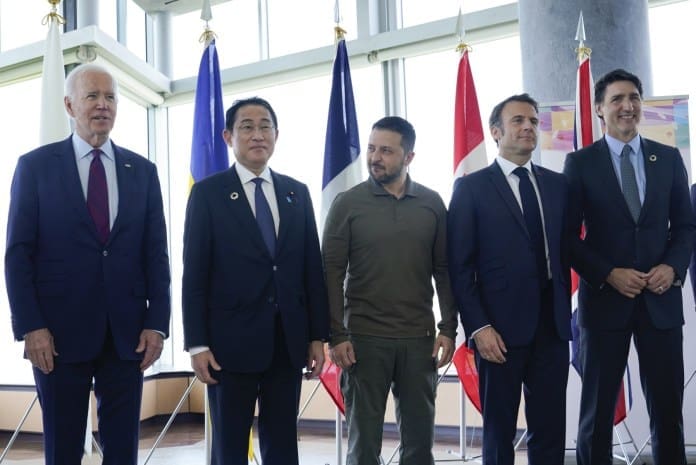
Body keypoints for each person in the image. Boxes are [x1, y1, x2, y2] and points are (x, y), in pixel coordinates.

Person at [5, 63, 171, 465]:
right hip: (56, 338)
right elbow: (18, 254)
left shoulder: (142, 171)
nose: (103, 105)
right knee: (63, 450)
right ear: (69, 105)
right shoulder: (35, 167)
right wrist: (31, 327)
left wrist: (157, 323)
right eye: (92, 96)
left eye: (110, 97)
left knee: (123, 451)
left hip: (127, 336)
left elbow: (156, 254)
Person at [181, 97, 329, 465]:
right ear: (229, 136)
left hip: (287, 342)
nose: (257, 135)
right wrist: (197, 343)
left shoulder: (296, 193)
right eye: (247, 127)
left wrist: (317, 335)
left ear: (277, 135)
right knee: (230, 447)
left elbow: (311, 269)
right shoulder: (208, 194)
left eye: (265, 126)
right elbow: (195, 274)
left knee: (283, 444)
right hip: (229, 345)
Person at [564, 68, 695, 465]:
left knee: (668, 414)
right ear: (599, 109)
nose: (628, 105)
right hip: (605, 302)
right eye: (617, 99)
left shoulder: (668, 159)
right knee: (597, 415)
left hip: (660, 302)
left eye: (634, 97)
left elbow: (686, 227)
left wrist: (672, 268)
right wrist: (607, 273)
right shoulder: (580, 163)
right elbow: (567, 237)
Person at [322, 116, 457, 465]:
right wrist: (336, 335)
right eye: (371, 149)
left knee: (419, 446)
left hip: (419, 341)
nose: (375, 157)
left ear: (408, 157)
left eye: (386, 151)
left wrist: (448, 328)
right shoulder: (347, 203)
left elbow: (444, 271)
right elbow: (330, 274)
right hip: (363, 341)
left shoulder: (432, 203)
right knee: (363, 447)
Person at [448, 94, 571, 465]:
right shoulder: (472, 188)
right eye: (518, 120)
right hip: (498, 332)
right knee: (499, 433)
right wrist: (479, 327)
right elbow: (459, 267)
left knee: (550, 430)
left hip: (553, 327)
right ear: (496, 132)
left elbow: (570, 250)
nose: (528, 127)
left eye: (533, 121)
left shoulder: (557, 185)